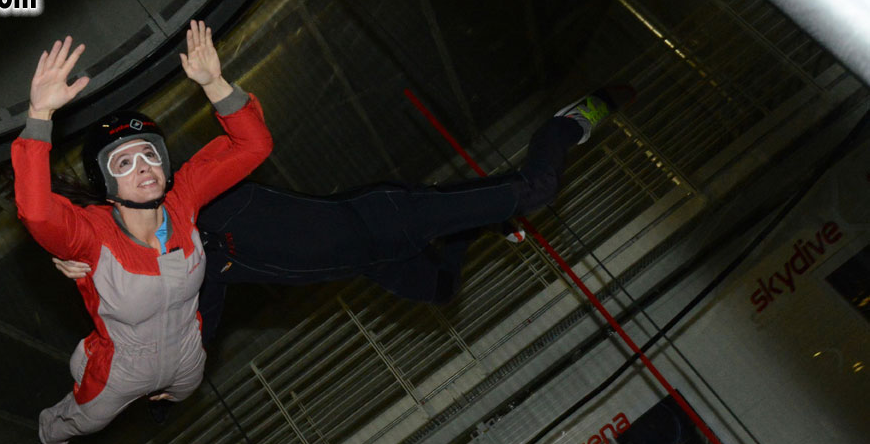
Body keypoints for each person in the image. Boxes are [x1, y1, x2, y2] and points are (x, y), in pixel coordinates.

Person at [53, 85, 634, 341]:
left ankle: (573, 120)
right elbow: (195, 320)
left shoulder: (200, 195)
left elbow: (246, 143)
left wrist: (215, 85)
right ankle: (483, 218)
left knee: (534, 190)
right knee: (439, 289)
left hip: (386, 218)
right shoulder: (189, 267)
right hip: (370, 260)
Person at [11, 22, 272, 444]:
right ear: (107, 183)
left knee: (182, 392)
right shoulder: (91, 236)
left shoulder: (184, 197)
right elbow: (36, 213)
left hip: (188, 358)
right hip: (119, 372)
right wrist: (39, 117)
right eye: (125, 163)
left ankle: (161, 399)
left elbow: (253, 144)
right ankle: (48, 438)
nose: (145, 168)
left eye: (151, 154)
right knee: (81, 422)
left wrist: (214, 82)